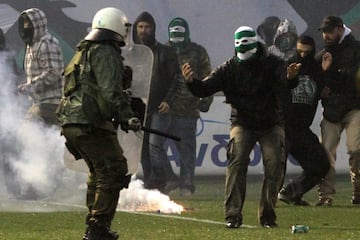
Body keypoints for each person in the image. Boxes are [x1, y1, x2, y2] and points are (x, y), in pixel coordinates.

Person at [182, 26, 300, 228]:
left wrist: (291, 78)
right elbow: (204, 89)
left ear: (255, 46)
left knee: (274, 165)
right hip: (243, 122)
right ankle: (233, 215)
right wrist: (192, 82)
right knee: (236, 163)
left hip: (271, 122)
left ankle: (267, 216)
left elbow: (286, 83)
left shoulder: (272, 64)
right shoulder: (228, 68)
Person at [57, 7, 141, 240]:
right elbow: (110, 90)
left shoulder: (83, 51)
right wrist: (127, 116)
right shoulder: (105, 51)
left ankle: (94, 224)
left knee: (99, 171)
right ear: (117, 26)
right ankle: (97, 228)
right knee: (113, 169)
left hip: (71, 121)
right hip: (88, 121)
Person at [277, 35, 330, 206]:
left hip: (301, 129)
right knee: (276, 165)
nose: (302, 56)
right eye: (299, 52)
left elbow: (325, 93)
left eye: (306, 53)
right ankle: (269, 200)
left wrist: (325, 73)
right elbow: (277, 89)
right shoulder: (286, 66)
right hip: (283, 125)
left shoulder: (317, 70)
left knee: (321, 164)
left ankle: (291, 192)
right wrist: (289, 78)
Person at [132, 12, 180, 192]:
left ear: (153, 29)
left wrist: (168, 101)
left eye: (147, 27)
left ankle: (167, 178)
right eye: (140, 27)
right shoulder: (133, 54)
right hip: (141, 109)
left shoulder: (166, 52)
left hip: (160, 108)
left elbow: (177, 80)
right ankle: (154, 182)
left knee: (154, 144)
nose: (143, 30)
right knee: (143, 148)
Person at [166, 17, 213, 196]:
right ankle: (169, 178)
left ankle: (186, 185)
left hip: (188, 109)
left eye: (180, 32)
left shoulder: (198, 52)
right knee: (155, 147)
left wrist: (205, 102)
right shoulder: (163, 50)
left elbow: (209, 77)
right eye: (174, 33)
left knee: (186, 150)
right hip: (165, 109)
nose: (177, 36)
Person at [316, 16, 360, 206]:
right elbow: (313, 81)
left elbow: (351, 78)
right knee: (325, 153)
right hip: (332, 110)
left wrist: (329, 73)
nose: (326, 35)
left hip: (354, 108)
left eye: (329, 31)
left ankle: (358, 191)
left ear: (340, 30)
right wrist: (321, 86)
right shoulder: (323, 55)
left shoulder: (357, 49)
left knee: (356, 150)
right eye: (324, 31)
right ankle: (325, 195)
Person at [17, 8, 64, 126]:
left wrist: (29, 86)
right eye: (24, 24)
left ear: (37, 24)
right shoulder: (32, 45)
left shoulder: (47, 43)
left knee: (28, 131)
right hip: (39, 102)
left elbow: (53, 72)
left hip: (51, 104)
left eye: (28, 24)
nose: (26, 27)